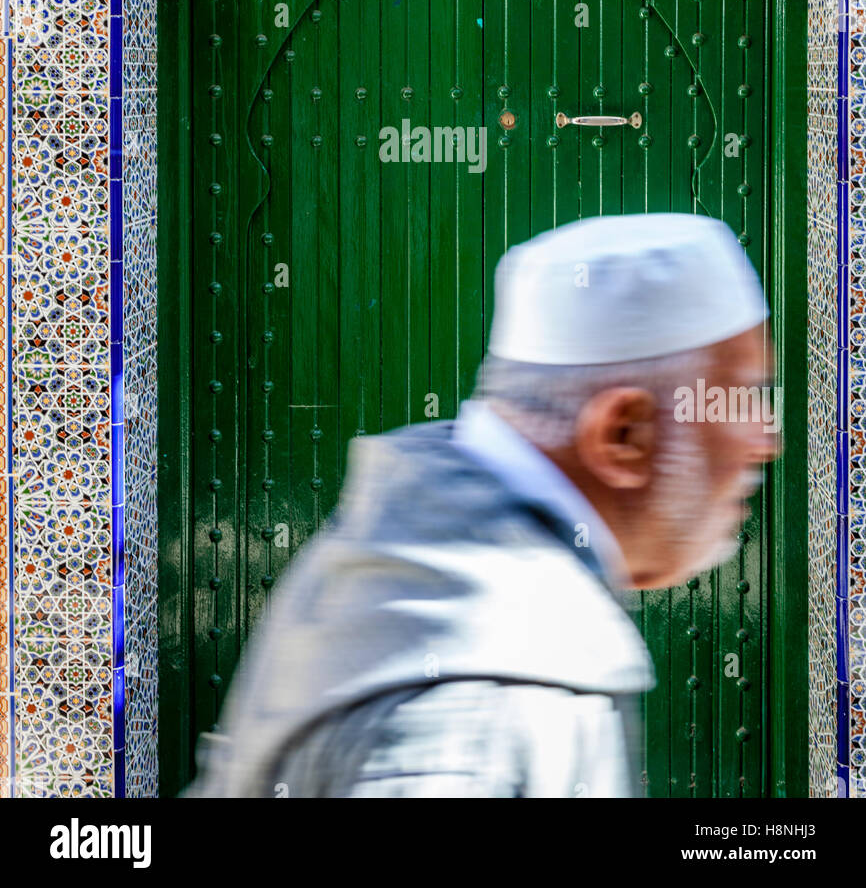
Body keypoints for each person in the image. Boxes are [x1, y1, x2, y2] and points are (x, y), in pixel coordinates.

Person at [184, 212, 778, 798]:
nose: (765, 440)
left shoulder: (402, 556)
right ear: (624, 435)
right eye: (739, 398)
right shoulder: (483, 709)